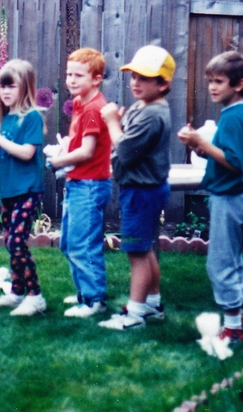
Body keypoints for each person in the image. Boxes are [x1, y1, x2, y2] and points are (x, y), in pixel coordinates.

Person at [178, 51, 243, 344]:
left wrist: (201, 142)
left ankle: (232, 328)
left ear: (239, 84)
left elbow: (235, 161)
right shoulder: (239, 114)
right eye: (210, 81)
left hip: (231, 198)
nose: (212, 87)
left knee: (220, 265)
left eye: (219, 82)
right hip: (242, 196)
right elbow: (229, 156)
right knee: (234, 261)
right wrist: (202, 149)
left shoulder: (233, 117)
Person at [98, 46, 174, 330]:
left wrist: (111, 123)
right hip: (145, 190)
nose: (136, 82)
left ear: (163, 84)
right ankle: (153, 305)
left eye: (145, 77)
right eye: (133, 76)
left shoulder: (152, 114)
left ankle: (135, 314)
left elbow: (126, 150)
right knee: (145, 248)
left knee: (137, 252)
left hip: (141, 193)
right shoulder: (145, 108)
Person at [47, 48, 112, 318]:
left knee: (83, 245)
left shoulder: (94, 109)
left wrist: (56, 163)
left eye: (78, 75)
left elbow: (87, 152)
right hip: (77, 183)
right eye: (68, 74)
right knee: (69, 244)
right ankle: (84, 293)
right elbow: (80, 144)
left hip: (90, 185)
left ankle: (94, 300)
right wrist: (63, 149)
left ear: (96, 79)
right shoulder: (79, 103)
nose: (71, 80)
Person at [0, 59, 47, 316]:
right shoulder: (6, 119)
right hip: (9, 191)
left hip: (28, 190)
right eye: (2, 87)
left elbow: (27, 153)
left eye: (12, 87)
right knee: (10, 241)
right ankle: (17, 292)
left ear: (26, 87)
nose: (5, 92)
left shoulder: (31, 118)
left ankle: (35, 295)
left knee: (18, 241)